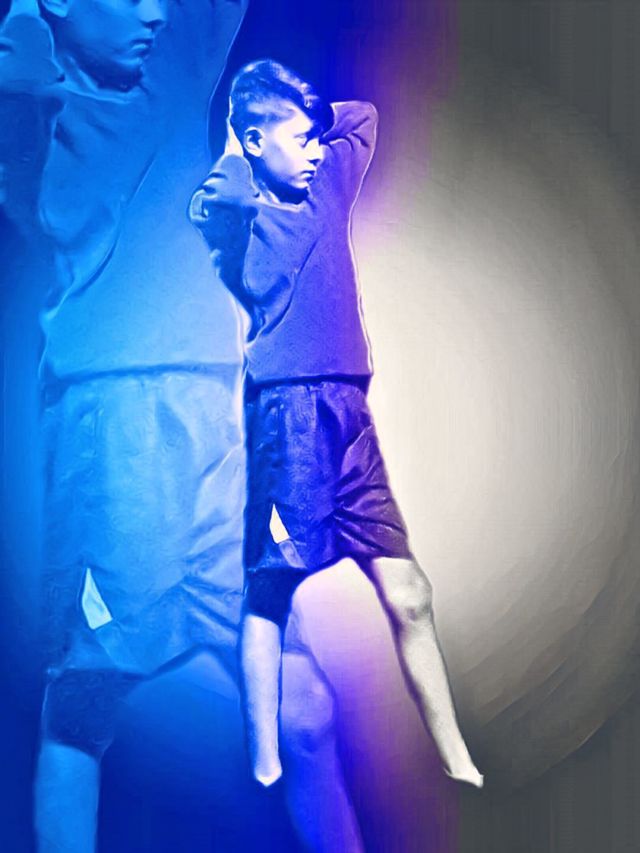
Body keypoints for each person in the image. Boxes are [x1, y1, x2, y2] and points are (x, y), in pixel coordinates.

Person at [1, 3, 363, 850]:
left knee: (305, 708)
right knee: (80, 711)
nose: (154, 10)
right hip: (112, 440)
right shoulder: (29, 99)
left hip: (219, 426)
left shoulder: (168, 64)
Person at [191, 58, 484, 791]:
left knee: (410, 593)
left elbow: (362, 119)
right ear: (252, 143)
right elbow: (220, 192)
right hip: (287, 420)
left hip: (352, 420)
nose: (316, 151)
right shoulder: (236, 215)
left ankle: (456, 755)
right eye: (297, 140)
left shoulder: (327, 186)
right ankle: (265, 764)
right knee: (272, 590)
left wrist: (301, 118)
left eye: (313, 140)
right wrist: (238, 136)